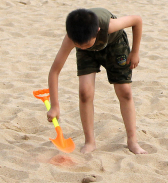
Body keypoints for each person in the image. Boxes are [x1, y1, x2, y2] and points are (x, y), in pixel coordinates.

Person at [46, 8, 146, 154]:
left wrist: (135, 52)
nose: (81, 47)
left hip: (114, 45)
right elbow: (54, 71)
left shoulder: (110, 25)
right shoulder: (75, 40)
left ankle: (132, 141)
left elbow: (137, 20)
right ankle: (90, 141)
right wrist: (54, 106)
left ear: (98, 30)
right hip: (88, 54)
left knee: (125, 92)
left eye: (84, 45)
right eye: (77, 45)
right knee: (85, 93)